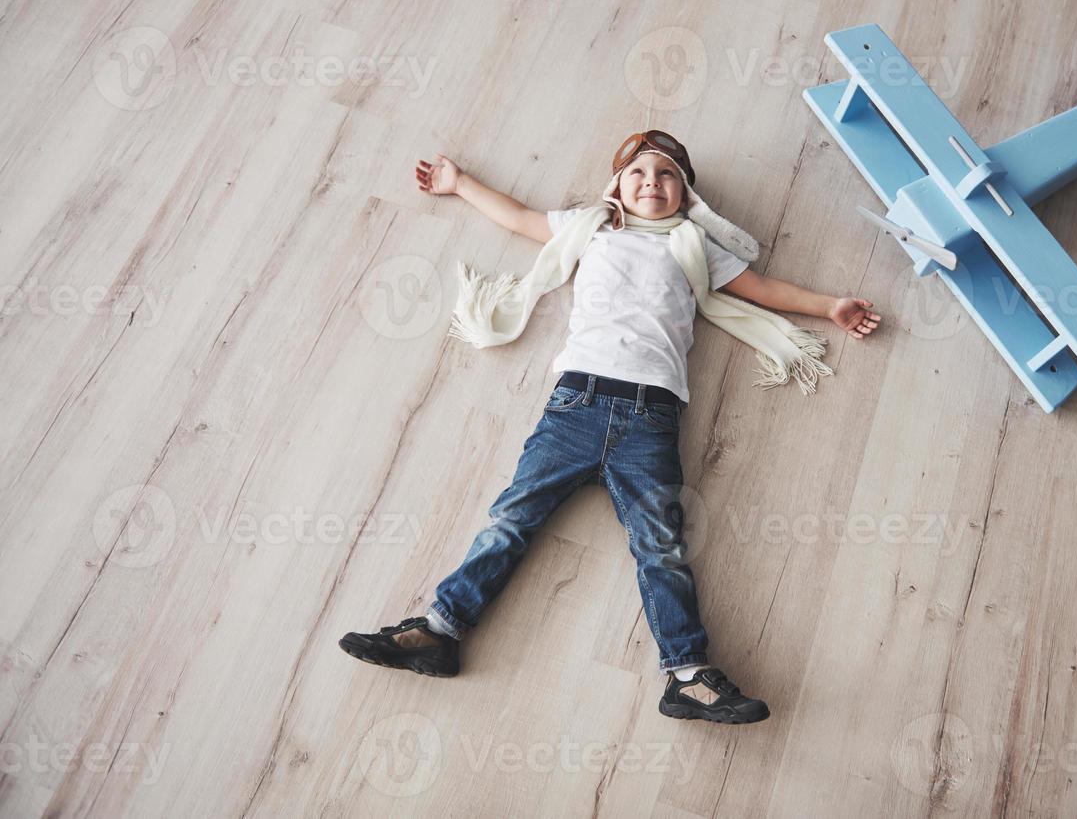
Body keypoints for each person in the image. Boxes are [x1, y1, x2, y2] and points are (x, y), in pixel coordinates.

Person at [340, 130, 881, 724]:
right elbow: (520, 217)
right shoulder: (591, 228)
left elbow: (761, 288)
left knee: (663, 548)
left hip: (652, 419)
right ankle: (439, 629)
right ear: (617, 188)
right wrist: (459, 183)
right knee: (512, 518)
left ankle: (687, 675)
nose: (653, 183)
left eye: (668, 175)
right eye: (640, 174)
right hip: (576, 405)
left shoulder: (694, 243)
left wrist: (829, 305)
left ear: (687, 195)